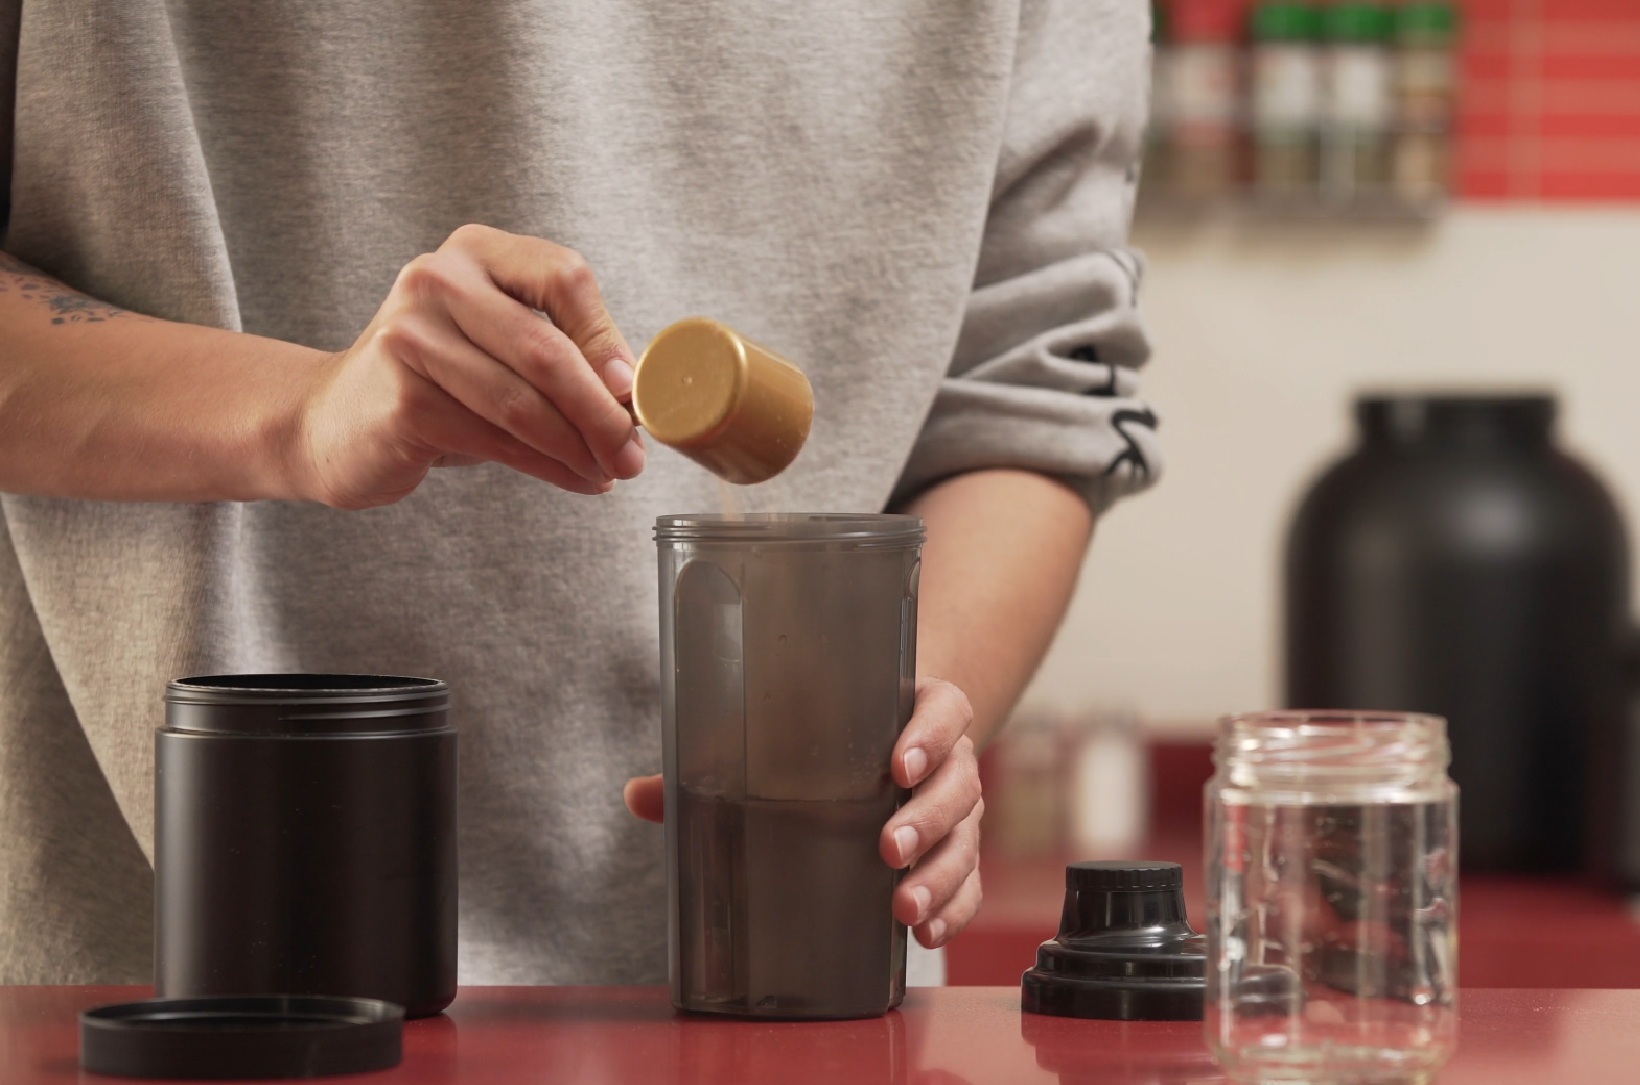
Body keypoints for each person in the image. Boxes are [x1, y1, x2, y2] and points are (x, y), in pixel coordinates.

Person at [0, 1, 1162, 986]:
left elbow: (1034, 389)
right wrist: (302, 411)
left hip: (801, 989)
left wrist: (887, 742)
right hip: (151, 976)